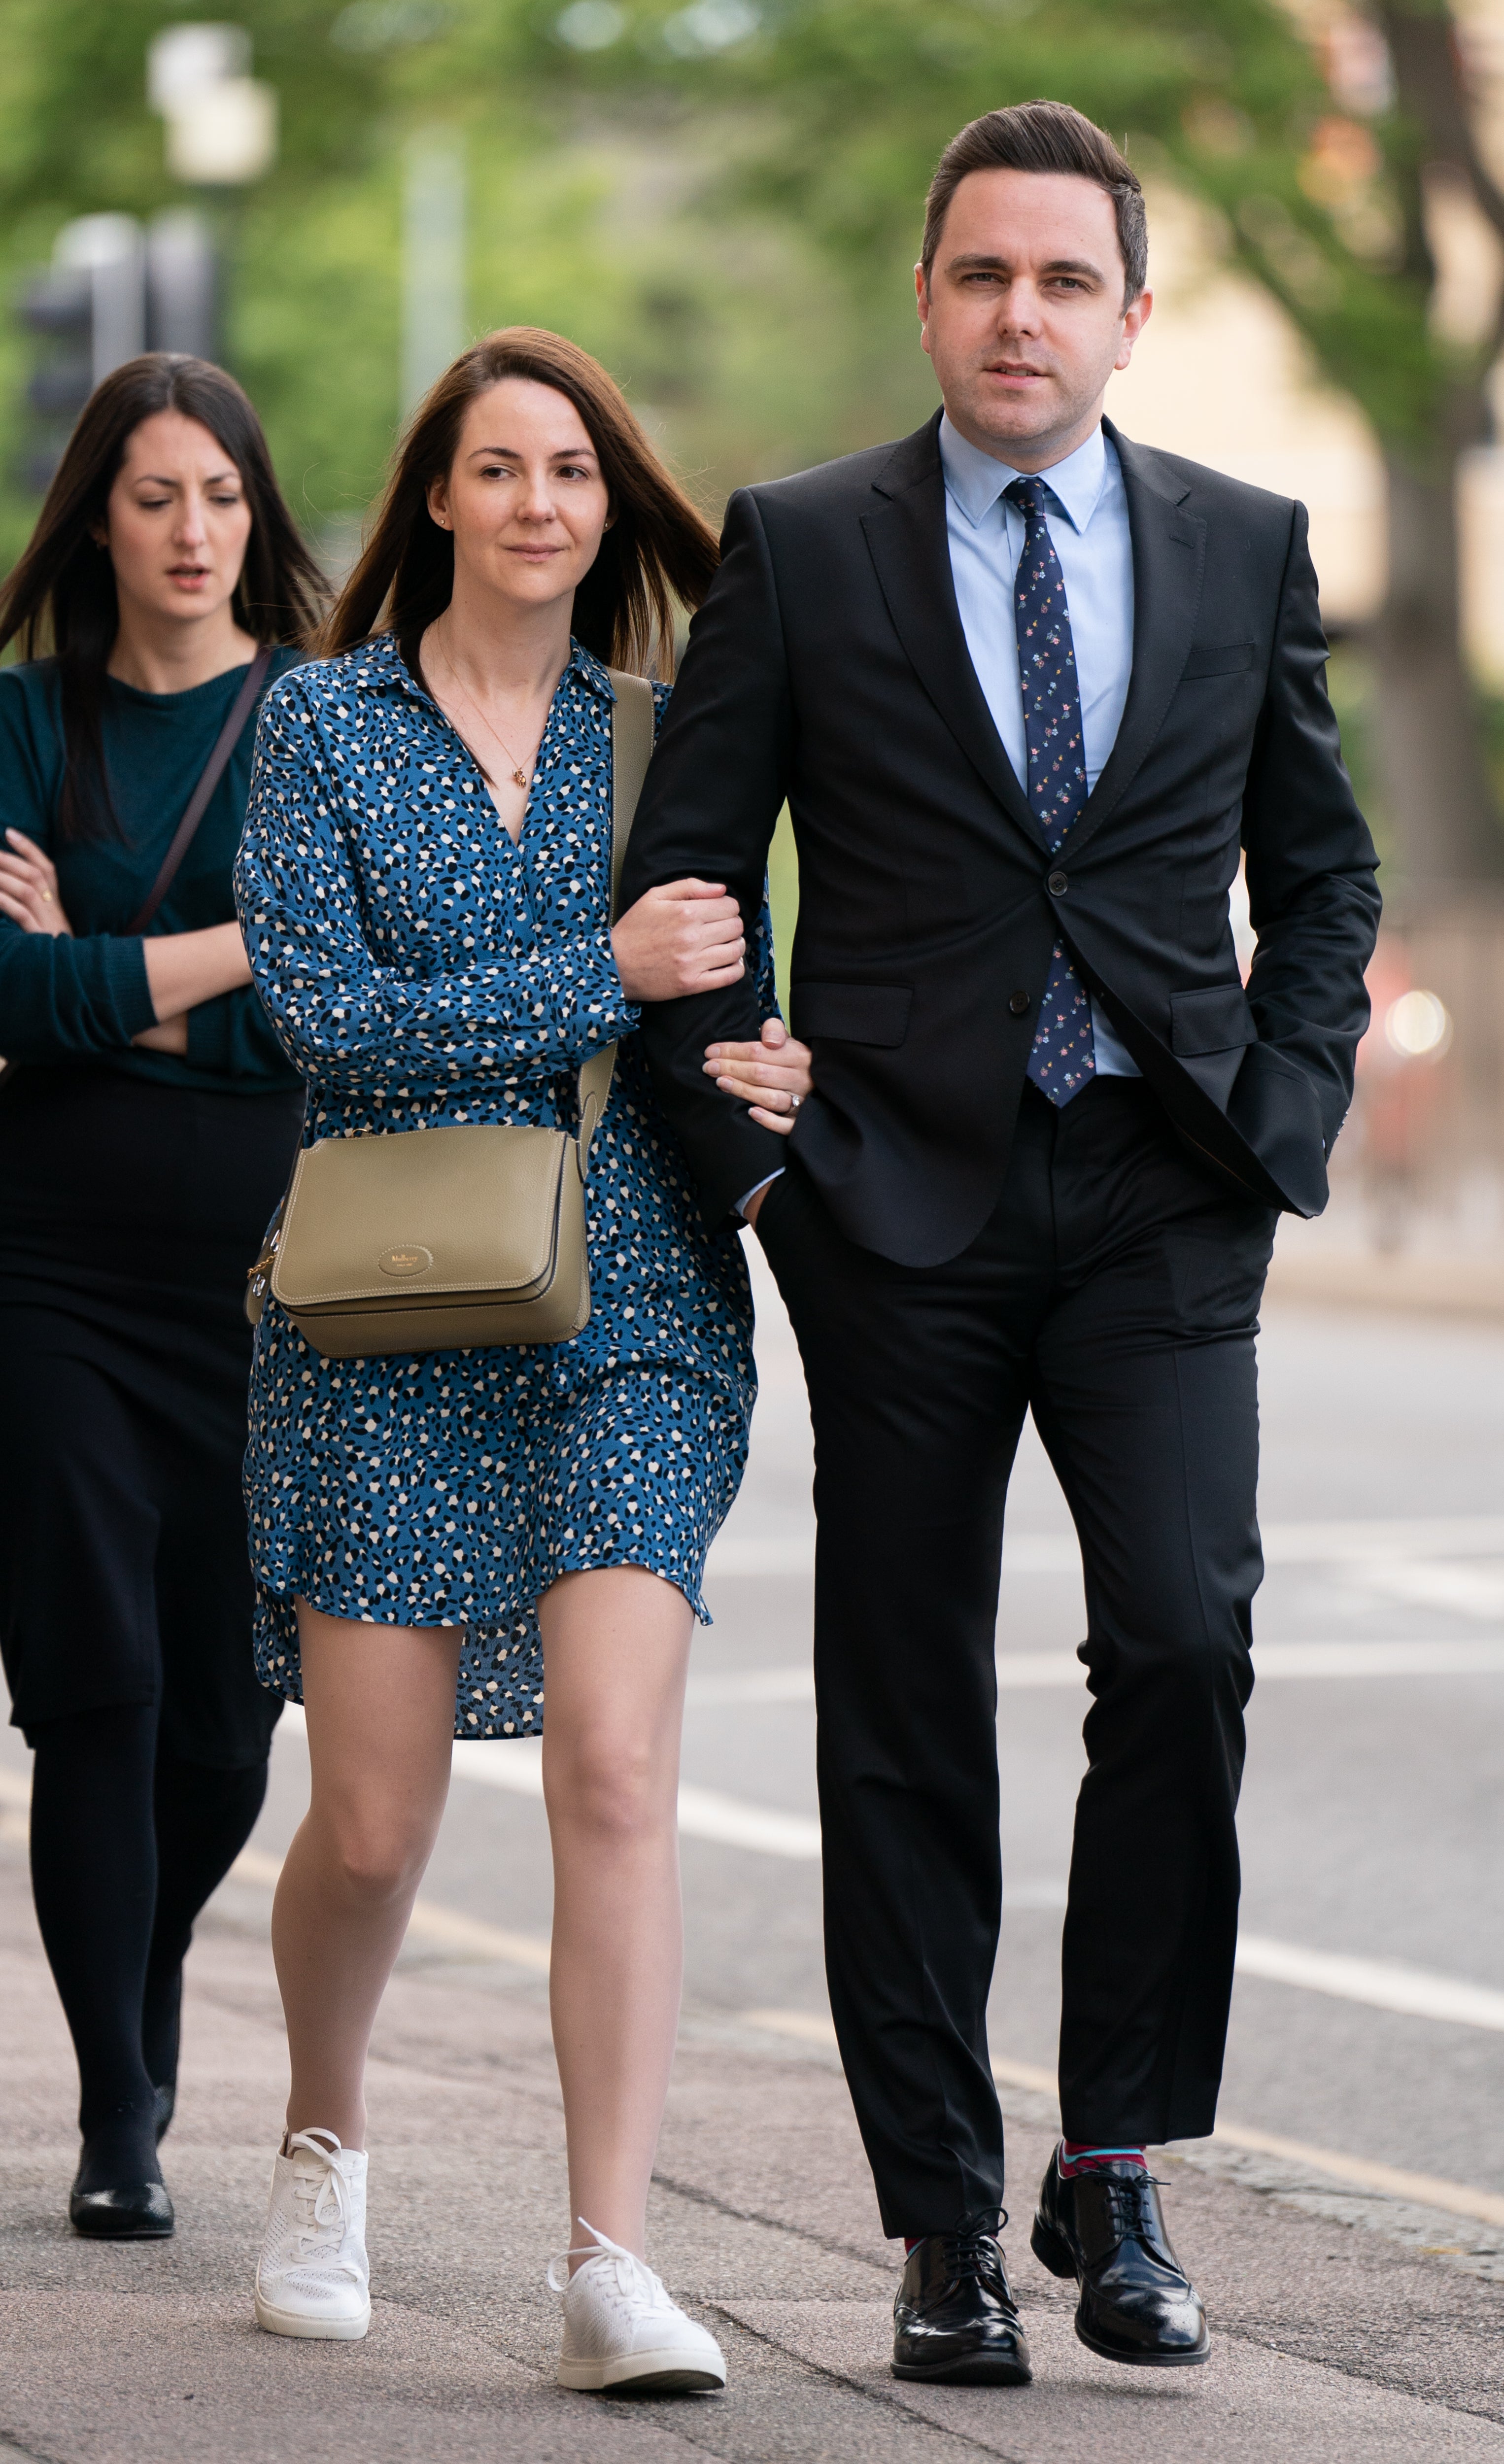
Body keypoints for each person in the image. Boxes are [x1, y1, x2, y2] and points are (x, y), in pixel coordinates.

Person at [621, 102, 1381, 2384]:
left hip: (1161, 1190)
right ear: (927, 297)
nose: (1018, 313)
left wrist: (1291, 1101)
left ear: (1130, 318)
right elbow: (680, 893)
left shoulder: (1245, 543)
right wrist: (754, 1147)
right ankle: (944, 2215)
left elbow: (1321, 867)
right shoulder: (805, 544)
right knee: (901, 1714)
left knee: (1183, 1644)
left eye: (1064, 281)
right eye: (981, 275)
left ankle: (1119, 2162)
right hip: (894, 1208)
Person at [233, 326, 812, 2389]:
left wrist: (766, 1062)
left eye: (572, 469)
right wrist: (598, 963)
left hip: (635, 1300)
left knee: (616, 1758)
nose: (540, 503)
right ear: (441, 501)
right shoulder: (325, 723)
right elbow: (328, 1018)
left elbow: (711, 1016)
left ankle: (608, 2258)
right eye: (499, 469)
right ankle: (322, 2133)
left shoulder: (668, 736)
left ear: (606, 502)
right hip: (389, 1297)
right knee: (376, 1823)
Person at [0, 354, 325, 2238]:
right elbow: (0, 1001)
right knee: (94, 1691)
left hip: (270, 1285)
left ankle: (141, 1973)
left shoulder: (321, 726)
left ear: (254, 516)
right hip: (42, 1265)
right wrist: (219, 968)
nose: (190, 532)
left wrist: (111, 971)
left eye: (218, 495)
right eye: (151, 498)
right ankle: (122, 2113)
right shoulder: (24, 727)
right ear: (97, 522)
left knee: (223, 1714)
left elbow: (339, 990)